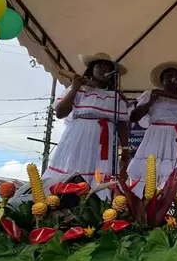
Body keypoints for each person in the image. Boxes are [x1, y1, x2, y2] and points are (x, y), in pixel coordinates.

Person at [43, 53, 129, 187]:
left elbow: (122, 123)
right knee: (72, 171)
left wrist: (125, 149)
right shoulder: (79, 89)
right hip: (77, 140)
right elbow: (60, 113)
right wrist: (75, 88)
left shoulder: (116, 97)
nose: (103, 70)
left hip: (104, 144)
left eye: (107, 68)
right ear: (91, 69)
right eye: (99, 66)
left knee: (101, 176)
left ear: (112, 74)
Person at [127, 62, 177, 196]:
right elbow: (133, 117)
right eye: (169, 75)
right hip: (157, 137)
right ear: (162, 80)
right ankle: (150, 203)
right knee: (154, 170)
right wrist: (150, 101)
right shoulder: (151, 94)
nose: (173, 78)